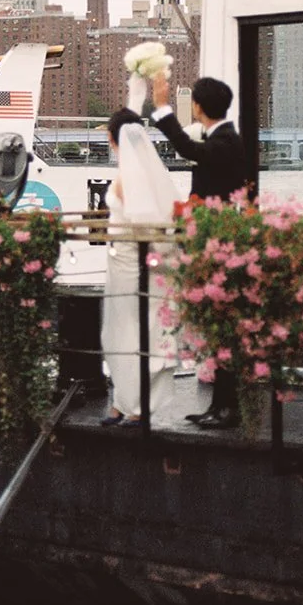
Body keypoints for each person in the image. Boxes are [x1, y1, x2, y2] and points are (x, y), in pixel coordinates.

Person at [149, 67, 249, 429]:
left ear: (200, 106)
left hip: (218, 244)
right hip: (215, 240)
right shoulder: (224, 138)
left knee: (222, 327)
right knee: (218, 328)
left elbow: (187, 148)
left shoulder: (223, 142)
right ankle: (220, 406)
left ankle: (227, 408)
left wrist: (161, 108)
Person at [99, 108, 179, 426]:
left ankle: (135, 405)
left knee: (129, 333)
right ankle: (122, 401)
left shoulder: (132, 176)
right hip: (119, 261)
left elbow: (145, 223)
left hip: (129, 262)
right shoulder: (134, 169)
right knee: (117, 332)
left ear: (111, 137)